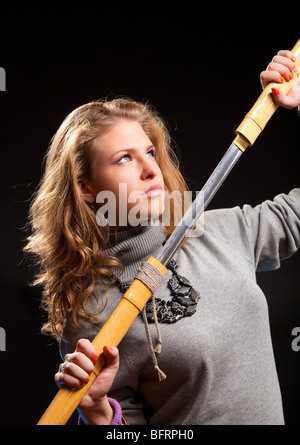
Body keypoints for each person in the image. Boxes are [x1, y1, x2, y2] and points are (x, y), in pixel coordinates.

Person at [25, 50, 300, 425]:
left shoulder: (222, 231)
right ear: (86, 187)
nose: (149, 169)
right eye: (124, 158)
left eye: (150, 152)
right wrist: (98, 412)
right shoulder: (92, 314)